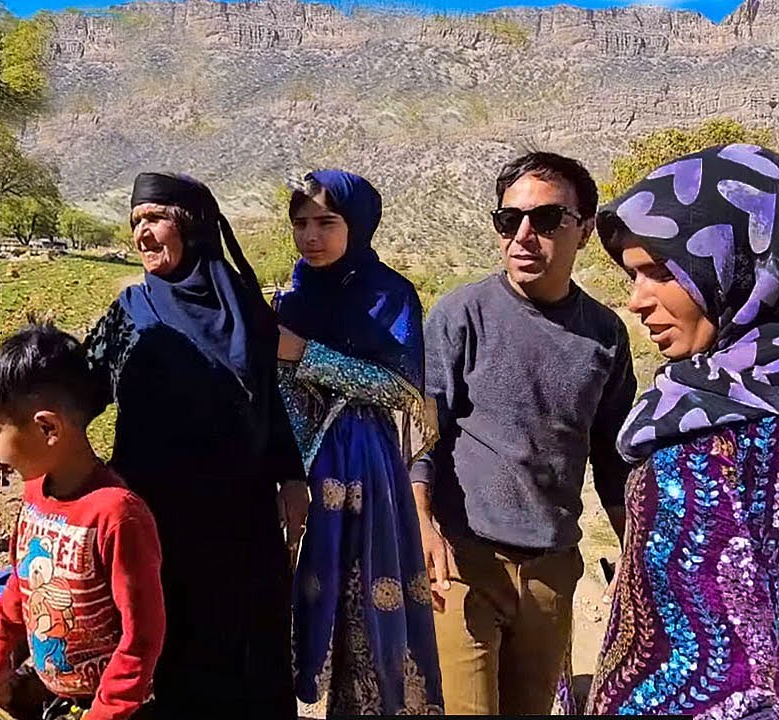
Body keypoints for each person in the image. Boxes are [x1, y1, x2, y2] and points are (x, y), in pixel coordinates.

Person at [410, 152, 636, 714]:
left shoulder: (605, 335)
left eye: (547, 220)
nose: (523, 236)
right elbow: (421, 428)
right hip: (464, 561)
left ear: (583, 230)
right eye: (509, 221)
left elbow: (615, 458)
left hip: (551, 569)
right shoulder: (461, 314)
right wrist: (420, 523)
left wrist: (634, 552)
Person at [84, 172, 306, 719]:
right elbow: (76, 393)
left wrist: (293, 473)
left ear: (192, 227)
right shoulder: (131, 312)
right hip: (159, 529)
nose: (141, 234)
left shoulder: (247, 310)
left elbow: (267, 399)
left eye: (154, 219)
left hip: (244, 525)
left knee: (254, 661)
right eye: (135, 221)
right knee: (177, 662)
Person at [586, 144, 779, 720]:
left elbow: (727, 665)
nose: (636, 300)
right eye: (630, 274)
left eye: (657, 272)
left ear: (733, 263)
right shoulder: (701, 405)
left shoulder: (729, 440)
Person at [274, 170, 443, 715]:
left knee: (363, 605)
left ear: (359, 224)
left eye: (326, 222)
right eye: (300, 223)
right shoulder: (290, 297)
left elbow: (401, 388)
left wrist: (305, 354)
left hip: (363, 463)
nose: (311, 237)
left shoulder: (388, 296)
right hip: (292, 462)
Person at [0, 322, 164, 720]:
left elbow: (142, 637)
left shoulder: (117, 516)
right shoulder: (35, 495)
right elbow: (21, 583)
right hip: (48, 693)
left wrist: (105, 712)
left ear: (47, 428)